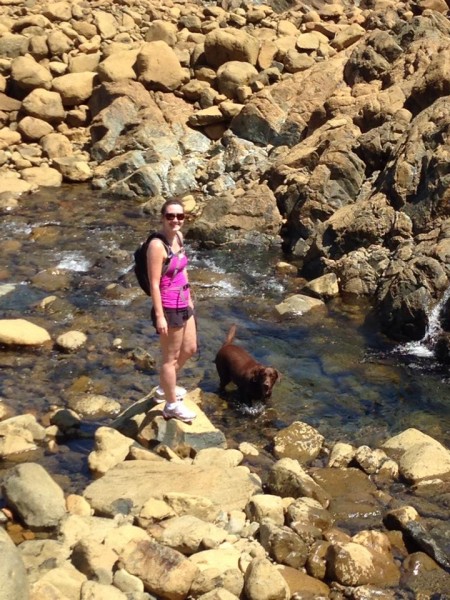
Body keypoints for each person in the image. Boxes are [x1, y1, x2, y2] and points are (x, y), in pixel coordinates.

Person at [147, 198, 197, 423]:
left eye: (179, 216)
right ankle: (170, 405)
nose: (175, 220)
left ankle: (165, 387)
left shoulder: (178, 237)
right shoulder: (157, 246)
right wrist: (159, 316)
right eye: (170, 216)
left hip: (184, 301)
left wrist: (191, 298)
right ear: (162, 218)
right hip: (169, 307)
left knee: (190, 348)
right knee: (170, 358)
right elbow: (154, 284)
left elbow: (182, 269)